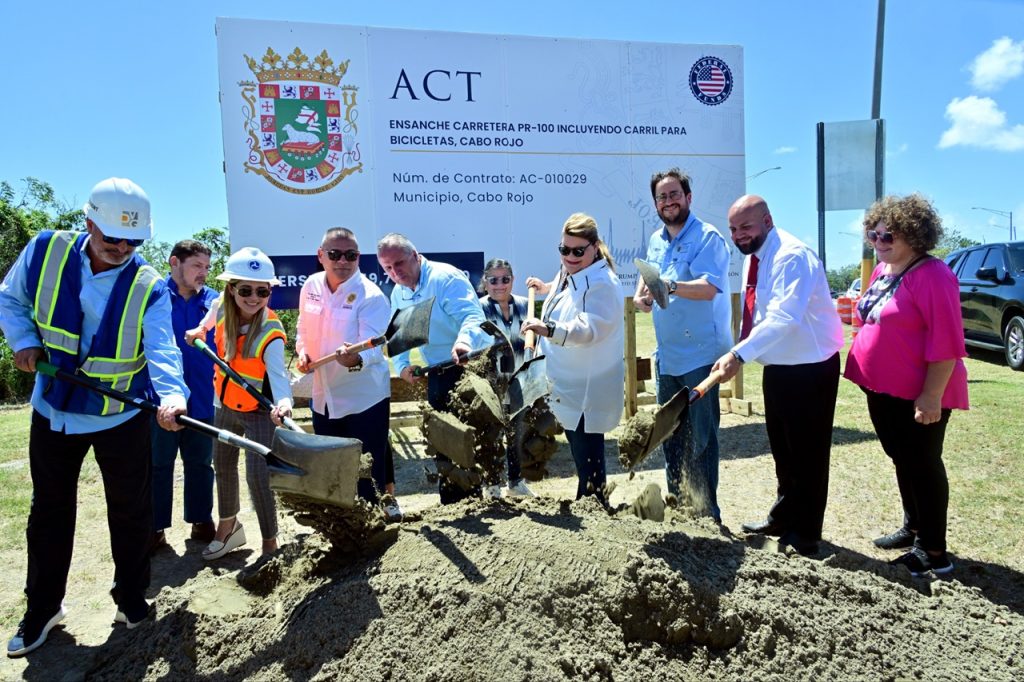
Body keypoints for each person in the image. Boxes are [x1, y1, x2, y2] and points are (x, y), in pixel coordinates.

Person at [0, 178, 189, 656]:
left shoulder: (148, 285)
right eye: (113, 238)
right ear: (89, 223)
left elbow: (162, 348)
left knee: (132, 513)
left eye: (133, 241)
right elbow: (10, 298)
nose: (122, 248)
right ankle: (43, 609)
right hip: (53, 409)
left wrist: (172, 397)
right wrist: (24, 341)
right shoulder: (45, 250)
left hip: (118, 415)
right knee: (49, 512)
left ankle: (132, 600)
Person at [712, 195, 844, 556]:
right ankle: (784, 517)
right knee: (784, 452)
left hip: (810, 368)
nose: (738, 235)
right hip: (780, 368)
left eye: (746, 226)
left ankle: (806, 534)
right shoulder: (755, 257)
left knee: (808, 454)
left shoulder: (792, 256)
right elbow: (760, 314)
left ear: (767, 221)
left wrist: (739, 354)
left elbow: (784, 317)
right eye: (733, 229)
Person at [844, 194, 969, 576]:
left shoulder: (933, 275)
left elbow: (948, 342)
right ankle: (914, 526)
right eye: (874, 234)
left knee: (923, 463)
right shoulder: (884, 270)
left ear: (915, 234)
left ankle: (933, 550)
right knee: (903, 458)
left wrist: (931, 396)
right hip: (883, 391)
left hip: (919, 394)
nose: (879, 242)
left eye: (888, 235)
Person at [633, 168, 731, 521]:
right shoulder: (656, 240)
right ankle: (678, 506)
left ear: (688, 197)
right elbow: (648, 279)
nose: (668, 201)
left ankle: (706, 513)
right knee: (670, 435)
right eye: (662, 196)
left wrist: (670, 286)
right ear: (655, 203)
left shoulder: (708, 237)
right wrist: (640, 297)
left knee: (701, 439)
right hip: (668, 357)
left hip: (702, 356)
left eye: (675, 194)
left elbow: (708, 288)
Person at [187, 247, 293, 560]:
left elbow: (280, 378)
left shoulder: (272, 332)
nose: (253, 297)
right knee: (222, 465)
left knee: (258, 477)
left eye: (262, 291)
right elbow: (207, 322)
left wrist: (285, 404)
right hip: (223, 403)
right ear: (231, 289)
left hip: (259, 411)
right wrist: (199, 330)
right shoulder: (220, 305)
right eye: (245, 290)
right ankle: (228, 527)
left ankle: (270, 542)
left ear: (270, 291)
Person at [522, 213, 624, 506]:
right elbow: (563, 288)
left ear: (595, 247)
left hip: (586, 388)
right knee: (581, 452)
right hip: (564, 380)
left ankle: (595, 507)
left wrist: (548, 329)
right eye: (564, 249)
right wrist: (544, 288)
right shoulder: (572, 270)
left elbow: (589, 329)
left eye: (578, 251)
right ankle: (591, 502)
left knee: (588, 453)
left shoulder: (603, 284)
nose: (569, 256)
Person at [377, 233, 487, 504]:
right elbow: (398, 336)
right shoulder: (399, 292)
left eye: (399, 263)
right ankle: (451, 501)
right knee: (443, 436)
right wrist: (403, 366)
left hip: (472, 364)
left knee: (472, 437)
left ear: (416, 256)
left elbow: (473, 317)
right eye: (388, 268)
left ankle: (477, 501)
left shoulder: (445, 278)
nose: (395, 272)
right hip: (438, 368)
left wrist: (464, 342)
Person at [295, 227, 398, 516]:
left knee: (367, 474)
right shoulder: (310, 286)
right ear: (321, 255)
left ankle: (374, 527)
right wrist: (302, 351)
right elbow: (303, 327)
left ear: (358, 257)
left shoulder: (371, 296)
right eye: (335, 254)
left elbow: (374, 348)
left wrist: (355, 359)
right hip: (323, 397)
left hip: (364, 399)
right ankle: (342, 528)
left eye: (350, 255)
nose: (343, 261)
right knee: (334, 470)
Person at [150, 240, 219, 554]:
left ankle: (201, 520)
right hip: (161, 401)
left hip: (203, 397)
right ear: (174, 262)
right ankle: (155, 528)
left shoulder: (214, 301)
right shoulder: (154, 297)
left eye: (206, 267)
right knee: (158, 465)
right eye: (197, 266)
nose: (203, 273)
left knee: (201, 463)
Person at [478, 258, 534, 498]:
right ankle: (491, 484)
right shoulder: (477, 308)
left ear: (513, 280)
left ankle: (515, 482)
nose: (499, 285)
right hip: (490, 383)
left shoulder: (525, 305)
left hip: (520, 380)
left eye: (505, 279)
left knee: (517, 432)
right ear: (485, 282)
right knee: (490, 434)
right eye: (493, 280)